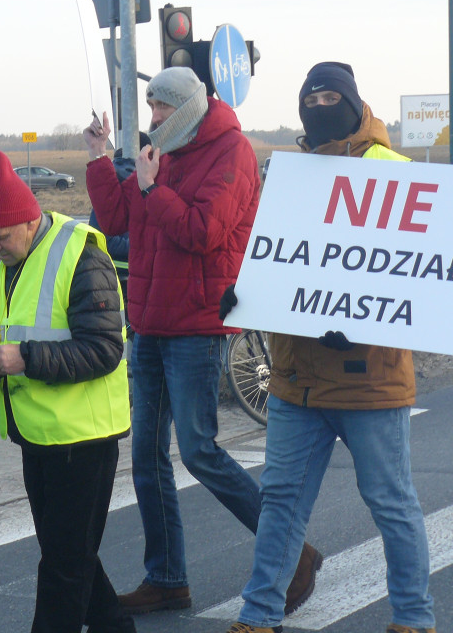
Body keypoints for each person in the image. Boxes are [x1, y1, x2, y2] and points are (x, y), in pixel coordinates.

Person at [83, 66, 319, 615]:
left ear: (187, 107)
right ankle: (166, 578)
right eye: (149, 107)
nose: (153, 118)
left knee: (199, 451)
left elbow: (202, 232)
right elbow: (115, 216)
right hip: (148, 322)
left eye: (161, 107)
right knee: (145, 456)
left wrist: (150, 186)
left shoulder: (230, 151)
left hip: (196, 322)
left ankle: (295, 553)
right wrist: (99, 159)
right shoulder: (160, 153)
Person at [222, 62, 435, 633]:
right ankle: (258, 615)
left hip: (371, 377)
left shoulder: (390, 169)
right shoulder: (289, 174)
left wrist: (359, 323)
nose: (319, 106)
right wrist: (241, 294)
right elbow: (276, 257)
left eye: (329, 96)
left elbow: (412, 273)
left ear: (353, 103)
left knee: (391, 505)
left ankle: (414, 619)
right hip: (297, 377)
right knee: (281, 506)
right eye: (309, 97)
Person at [0, 149, 134, 633]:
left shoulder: (81, 253)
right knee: (71, 554)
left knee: (63, 566)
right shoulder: (6, 260)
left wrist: (26, 359)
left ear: (27, 219)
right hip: (36, 434)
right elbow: (4, 330)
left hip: (83, 438)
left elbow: (105, 348)